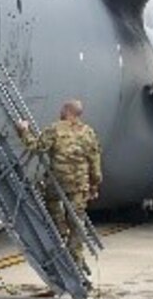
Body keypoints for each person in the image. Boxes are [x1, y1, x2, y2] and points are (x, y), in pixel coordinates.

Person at [16, 100, 102, 270]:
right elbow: (95, 160)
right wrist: (94, 184)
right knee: (77, 222)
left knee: (50, 200)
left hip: (58, 183)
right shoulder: (88, 132)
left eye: (62, 109)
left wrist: (23, 130)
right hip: (79, 185)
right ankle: (76, 258)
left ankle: (60, 229)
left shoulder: (55, 129)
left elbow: (36, 147)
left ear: (67, 111)